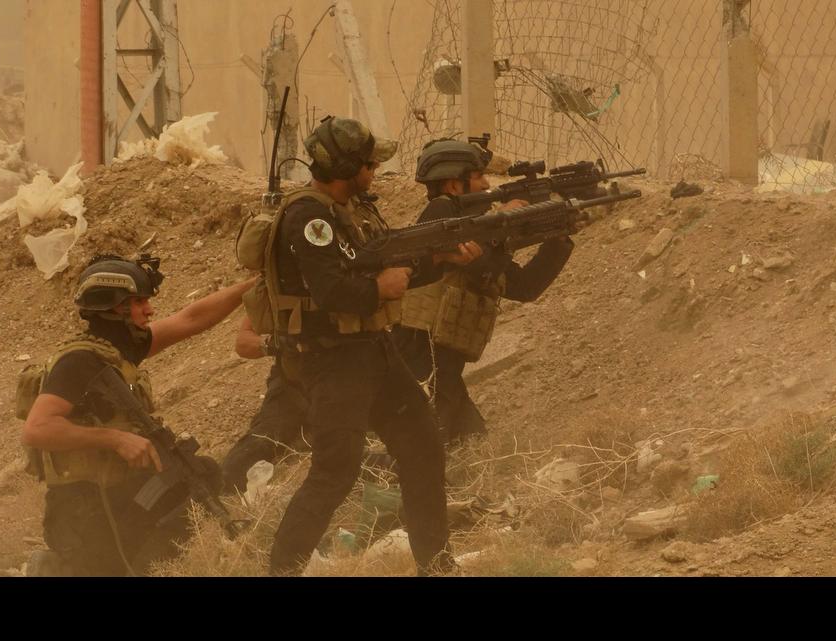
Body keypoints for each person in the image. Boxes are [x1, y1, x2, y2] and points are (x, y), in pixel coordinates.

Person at [262, 115, 482, 576]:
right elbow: (332, 290)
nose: (374, 169)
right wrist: (378, 288)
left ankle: (438, 567)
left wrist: (438, 260)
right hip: (333, 359)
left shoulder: (352, 211)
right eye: (367, 163)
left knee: (423, 446)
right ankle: (281, 569)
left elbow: (389, 273)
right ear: (345, 167)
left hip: (371, 351)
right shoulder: (309, 216)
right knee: (335, 470)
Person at [19, 254, 255, 576]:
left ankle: (144, 567)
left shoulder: (116, 350)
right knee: (105, 568)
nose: (149, 310)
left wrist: (254, 287)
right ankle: (61, 567)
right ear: (115, 307)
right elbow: (36, 428)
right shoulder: (78, 361)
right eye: (139, 302)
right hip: (82, 511)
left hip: (116, 495)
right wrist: (115, 439)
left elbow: (191, 319)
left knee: (199, 474)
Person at [394, 138, 575, 445]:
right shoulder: (441, 213)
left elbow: (523, 286)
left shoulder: (477, 230)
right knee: (423, 446)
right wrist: (502, 221)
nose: (487, 184)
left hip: (443, 360)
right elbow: (471, 255)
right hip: (421, 353)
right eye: (478, 176)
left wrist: (557, 238)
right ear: (454, 185)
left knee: (470, 444)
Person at [218, 316, 393, 495]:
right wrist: (277, 344)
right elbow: (244, 343)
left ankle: (310, 448)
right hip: (293, 386)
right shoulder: (280, 289)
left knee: (373, 448)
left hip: (346, 380)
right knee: (239, 466)